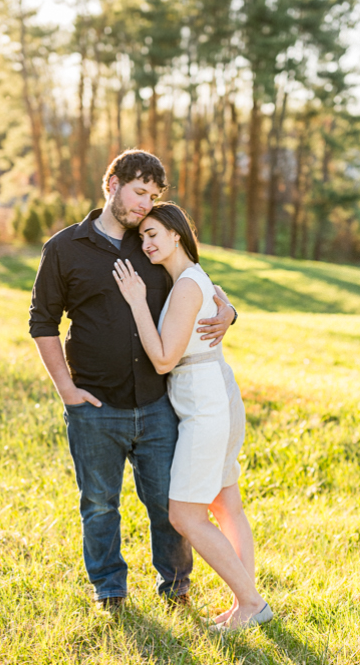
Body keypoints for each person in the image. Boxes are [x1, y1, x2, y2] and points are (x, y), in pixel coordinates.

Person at [29, 149, 238, 611]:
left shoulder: (152, 242)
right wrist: (67, 389)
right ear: (112, 184)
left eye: (153, 196)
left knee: (167, 503)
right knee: (100, 504)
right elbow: (43, 322)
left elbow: (199, 280)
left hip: (159, 404)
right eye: (139, 192)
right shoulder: (64, 249)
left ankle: (176, 586)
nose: (146, 204)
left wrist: (229, 310)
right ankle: (110, 590)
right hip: (94, 407)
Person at [111, 202, 271, 630]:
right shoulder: (192, 278)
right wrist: (230, 310)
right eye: (141, 237)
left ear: (177, 234)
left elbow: (164, 359)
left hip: (206, 406)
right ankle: (246, 602)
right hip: (214, 394)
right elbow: (220, 303)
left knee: (184, 514)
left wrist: (136, 301)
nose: (146, 244)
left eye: (152, 234)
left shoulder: (185, 286)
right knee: (226, 504)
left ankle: (252, 603)